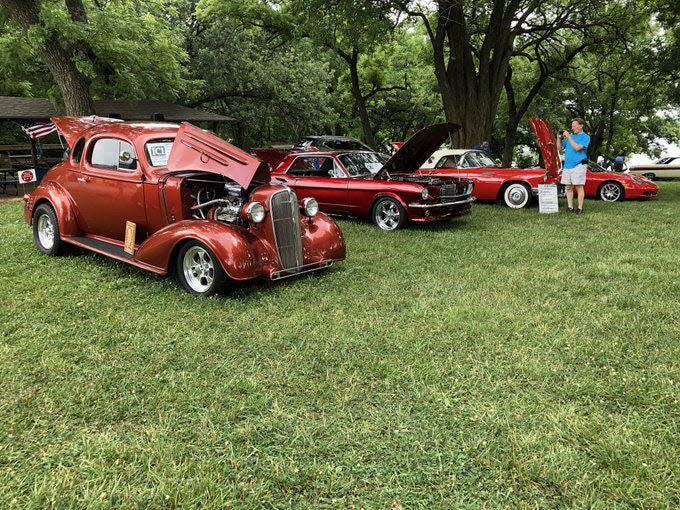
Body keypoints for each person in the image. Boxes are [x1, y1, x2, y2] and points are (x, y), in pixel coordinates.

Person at [557, 118, 590, 214]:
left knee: (579, 187)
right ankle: (570, 207)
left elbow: (577, 148)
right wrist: (558, 138)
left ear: (581, 126)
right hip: (567, 166)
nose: (572, 128)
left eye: (574, 126)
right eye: (572, 126)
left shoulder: (585, 137)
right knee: (568, 187)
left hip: (579, 165)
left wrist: (569, 137)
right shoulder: (570, 137)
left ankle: (580, 208)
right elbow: (559, 150)